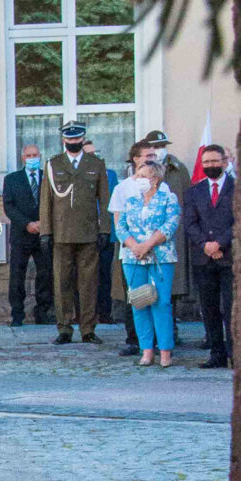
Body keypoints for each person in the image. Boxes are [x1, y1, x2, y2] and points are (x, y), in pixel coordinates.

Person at [39, 120, 110, 344]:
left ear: (83, 139)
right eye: (69, 139)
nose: (73, 142)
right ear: (63, 140)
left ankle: (88, 328)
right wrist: (46, 232)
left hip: (89, 231)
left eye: (77, 139)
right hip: (61, 233)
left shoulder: (96, 164)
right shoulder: (53, 164)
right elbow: (46, 201)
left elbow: (104, 198)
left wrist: (105, 229)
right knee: (62, 283)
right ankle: (65, 328)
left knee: (89, 283)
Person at [117, 159, 180, 366]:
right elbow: (121, 227)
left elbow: (171, 224)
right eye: (138, 176)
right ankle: (146, 350)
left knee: (161, 303)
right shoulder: (131, 201)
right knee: (140, 303)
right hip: (133, 259)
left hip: (160, 258)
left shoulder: (168, 199)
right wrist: (134, 245)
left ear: (155, 179)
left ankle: (165, 351)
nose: (139, 180)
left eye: (144, 176)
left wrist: (148, 245)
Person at [183, 142, 234, 368]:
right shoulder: (195, 191)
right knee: (210, 308)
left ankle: (235, 354)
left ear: (224, 162)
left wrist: (220, 243)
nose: (210, 165)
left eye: (214, 161)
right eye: (206, 162)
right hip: (203, 258)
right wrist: (205, 244)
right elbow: (190, 223)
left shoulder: (236, 187)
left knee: (232, 309)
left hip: (230, 257)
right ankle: (217, 353)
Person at [109, 141, 158, 357]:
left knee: (155, 296)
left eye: (154, 155)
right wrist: (135, 246)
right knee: (135, 297)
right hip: (131, 252)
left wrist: (149, 244)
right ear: (136, 159)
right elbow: (119, 221)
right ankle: (133, 339)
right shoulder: (123, 188)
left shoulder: (161, 185)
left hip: (156, 251)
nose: (152, 159)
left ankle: (155, 340)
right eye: (147, 155)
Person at [2, 143, 53, 326]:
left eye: (35, 155)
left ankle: (43, 312)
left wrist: (42, 223)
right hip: (20, 235)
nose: (32, 158)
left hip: (43, 234)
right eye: (29, 155)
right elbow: (8, 206)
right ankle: (17, 315)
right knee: (17, 276)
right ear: (22, 158)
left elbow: (54, 204)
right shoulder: (12, 179)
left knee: (45, 275)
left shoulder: (48, 178)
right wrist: (27, 224)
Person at [144, 129, 192, 326]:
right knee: (147, 287)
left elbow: (188, 198)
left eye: (162, 146)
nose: (159, 150)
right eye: (155, 147)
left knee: (171, 286)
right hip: (147, 233)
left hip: (173, 233)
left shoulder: (177, 169)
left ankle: (171, 328)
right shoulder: (142, 170)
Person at [82, 137, 118, 326]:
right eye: (88, 154)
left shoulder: (110, 174)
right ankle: (84, 314)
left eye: (95, 154)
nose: (93, 157)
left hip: (106, 232)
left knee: (105, 275)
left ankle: (105, 312)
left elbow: (113, 203)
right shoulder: (77, 175)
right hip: (84, 232)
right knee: (84, 276)